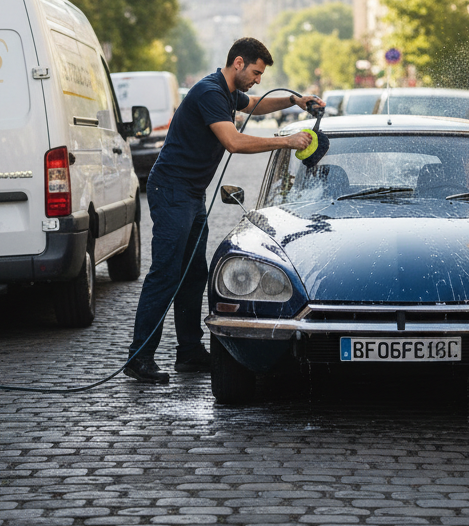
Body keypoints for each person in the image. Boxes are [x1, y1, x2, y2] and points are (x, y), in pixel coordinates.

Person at [124, 37, 323, 384]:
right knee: (166, 273)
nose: (258, 79)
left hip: (191, 192)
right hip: (172, 190)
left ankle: (188, 353)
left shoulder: (228, 92)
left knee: (193, 275)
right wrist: (287, 141)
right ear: (239, 63)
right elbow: (234, 141)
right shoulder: (209, 92)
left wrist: (295, 100)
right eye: (256, 73)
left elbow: (255, 105)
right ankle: (139, 357)